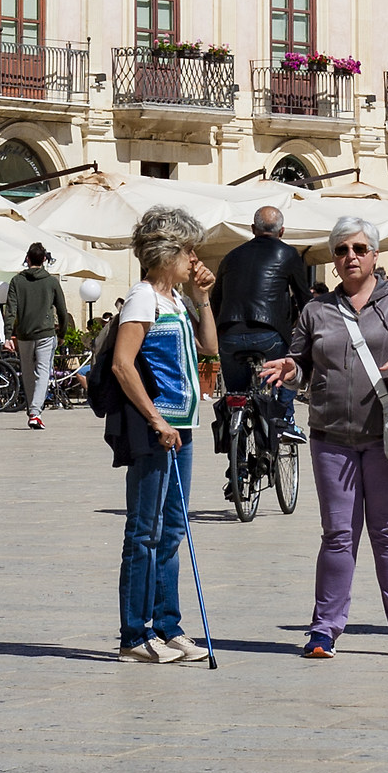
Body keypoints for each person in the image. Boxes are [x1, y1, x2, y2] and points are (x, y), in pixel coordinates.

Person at [259, 216, 388, 660]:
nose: (350, 257)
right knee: (337, 535)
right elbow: (302, 360)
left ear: (375, 256)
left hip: (387, 436)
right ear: (333, 257)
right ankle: (324, 629)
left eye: (360, 249)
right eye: (342, 250)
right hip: (331, 436)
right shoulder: (316, 309)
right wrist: (291, 371)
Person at [108, 205, 219, 664]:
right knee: (144, 532)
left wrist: (203, 298)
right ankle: (134, 634)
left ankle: (168, 626)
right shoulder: (142, 298)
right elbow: (121, 363)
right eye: (189, 249)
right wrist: (155, 419)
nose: (194, 258)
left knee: (172, 530)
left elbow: (210, 354)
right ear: (168, 251)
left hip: (185, 428)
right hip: (158, 430)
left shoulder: (176, 300)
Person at [213, 205, 314, 440]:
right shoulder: (288, 254)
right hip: (269, 334)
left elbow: (216, 299)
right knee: (289, 365)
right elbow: (304, 299)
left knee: (236, 395)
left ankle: (236, 457)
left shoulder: (231, 256)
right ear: (282, 231)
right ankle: (284, 421)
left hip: (229, 334)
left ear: (252, 229)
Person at [2, 242, 75, 430]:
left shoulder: (17, 281)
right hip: (45, 332)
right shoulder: (51, 281)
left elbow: (11, 309)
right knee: (43, 372)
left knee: (27, 372)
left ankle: (32, 409)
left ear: (27, 258)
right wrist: (62, 333)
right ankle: (35, 412)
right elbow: (62, 310)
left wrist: (8, 334)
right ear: (44, 259)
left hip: (24, 333)